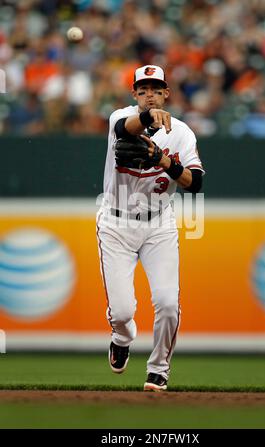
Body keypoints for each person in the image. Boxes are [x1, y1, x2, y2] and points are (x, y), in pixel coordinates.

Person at [96, 65, 204, 391]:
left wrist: (163, 159)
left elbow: (195, 184)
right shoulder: (121, 117)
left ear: (166, 93)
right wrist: (146, 119)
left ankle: (158, 369)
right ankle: (122, 336)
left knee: (169, 303)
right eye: (142, 89)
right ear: (134, 94)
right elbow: (123, 129)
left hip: (159, 224)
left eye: (156, 89)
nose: (149, 95)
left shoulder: (182, 133)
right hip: (116, 223)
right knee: (122, 311)